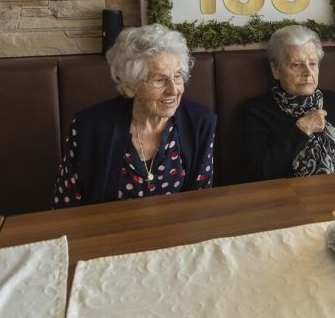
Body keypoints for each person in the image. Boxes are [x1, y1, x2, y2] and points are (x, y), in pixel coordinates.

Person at [54, 24, 216, 207]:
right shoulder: (89, 128)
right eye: (160, 80)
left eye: (177, 76)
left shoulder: (200, 123)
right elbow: (66, 206)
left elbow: (200, 201)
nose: (173, 90)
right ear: (130, 87)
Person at [242, 25, 335, 181]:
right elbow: (259, 172)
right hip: (288, 193)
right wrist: (301, 131)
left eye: (312, 64)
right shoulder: (256, 111)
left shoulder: (334, 101)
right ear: (276, 70)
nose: (308, 72)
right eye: (296, 65)